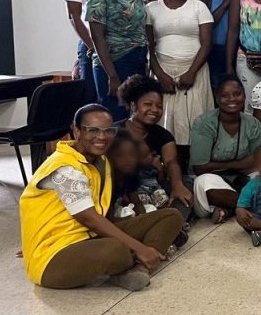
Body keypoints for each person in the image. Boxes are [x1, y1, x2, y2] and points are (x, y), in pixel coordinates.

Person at [20, 104, 183, 290]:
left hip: (88, 238)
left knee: (171, 216)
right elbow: (88, 217)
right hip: (53, 256)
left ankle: (137, 269)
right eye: (93, 130)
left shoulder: (100, 160)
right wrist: (139, 247)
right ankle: (136, 262)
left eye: (108, 131)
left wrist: (133, 236)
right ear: (76, 130)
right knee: (117, 250)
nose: (102, 137)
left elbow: (102, 211)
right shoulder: (64, 168)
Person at [146, 0, 214, 149]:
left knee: (195, 118)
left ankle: (193, 164)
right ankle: (165, 162)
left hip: (195, 70)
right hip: (162, 69)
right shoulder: (151, 8)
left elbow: (207, 43)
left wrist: (191, 72)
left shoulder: (198, 7)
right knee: (165, 119)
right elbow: (148, 46)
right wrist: (159, 74)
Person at [117, 75, 194, 222]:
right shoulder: (115, 133)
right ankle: (167, 227)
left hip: (155, 187)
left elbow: (171, 161)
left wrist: (177, 185)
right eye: (148, 104)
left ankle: (171, 224)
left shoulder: (163, 135)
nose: (154, 110)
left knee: (187, 184)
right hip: (125, 189)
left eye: (159, 106)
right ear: (133, 106)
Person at [188, 77, 261, 222]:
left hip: (243, 178)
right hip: (215, 179)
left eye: (237, 94)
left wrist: (218, 165)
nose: (232, 99)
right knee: (204, 183)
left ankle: (228, 208)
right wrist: (240, 164)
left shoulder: (252, 123)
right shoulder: (204, 123)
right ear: (217, 99)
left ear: (244, 95)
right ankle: (260, 207)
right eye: (225, 95)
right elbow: (200, 168)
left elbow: (260, 160)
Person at [86, 0, 148, 120]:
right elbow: (97, 37)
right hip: (113, 62)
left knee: (134, 115)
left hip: (137, 60)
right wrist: (112, 76)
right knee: (115, 115)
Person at [208, 0, 236, 88]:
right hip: (216, 52)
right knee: (219, 89)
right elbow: (208, 25)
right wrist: (225, 4)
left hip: (239, 51)